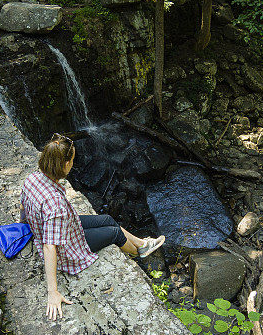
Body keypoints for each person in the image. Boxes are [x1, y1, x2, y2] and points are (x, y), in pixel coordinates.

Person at [20, 133, 165, 321]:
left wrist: (24, 226)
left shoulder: (33, 178)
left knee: (106, 218)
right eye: (72, 160)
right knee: (114, 233)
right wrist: (52, 291)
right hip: (67, 247)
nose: (73, 164)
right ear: (65, 164)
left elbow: (23, 207)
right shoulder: (54, 204)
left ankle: (141, 243)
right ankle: (139, 253)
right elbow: (50, 246)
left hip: (66, 226)